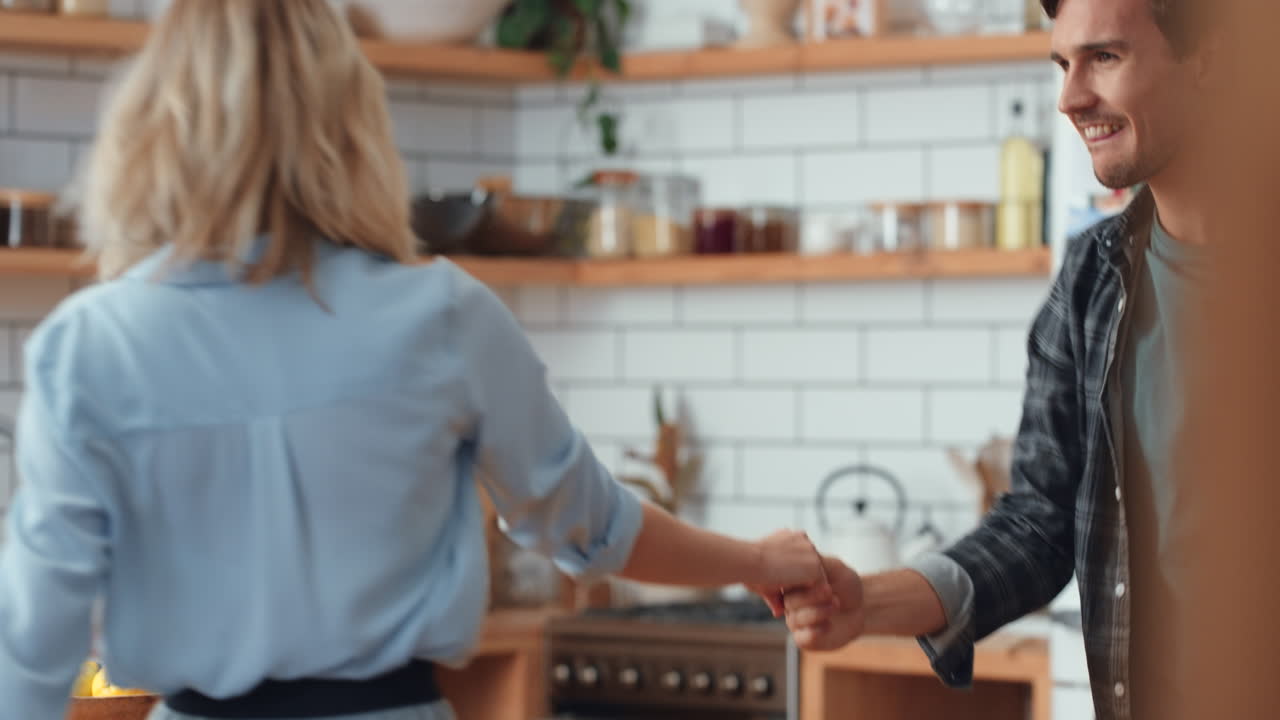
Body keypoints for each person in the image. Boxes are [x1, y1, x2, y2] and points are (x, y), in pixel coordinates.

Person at [0, 2, 831, 718]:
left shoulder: (88, 345)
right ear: (350, 121)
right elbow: (591, 526)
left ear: (152, 120)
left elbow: (32, 641)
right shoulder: (442, 315)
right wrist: (759, 562)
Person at [783, 0, 1222, 718]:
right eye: (1063, 64)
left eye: (1104, 58)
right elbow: (1039, 521)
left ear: (1206, 60)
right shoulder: (1091, 280)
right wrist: (868, 601)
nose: (1070, 97)